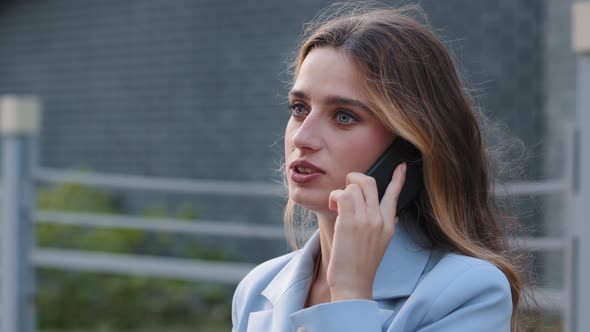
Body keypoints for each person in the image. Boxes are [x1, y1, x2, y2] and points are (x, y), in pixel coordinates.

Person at [231, 3, 528, 332]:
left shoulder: (470, 292)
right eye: (300, 108)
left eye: (344, 116)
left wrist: (350, 293)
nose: (302, 137)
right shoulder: (256, 289)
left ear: (408, 149)